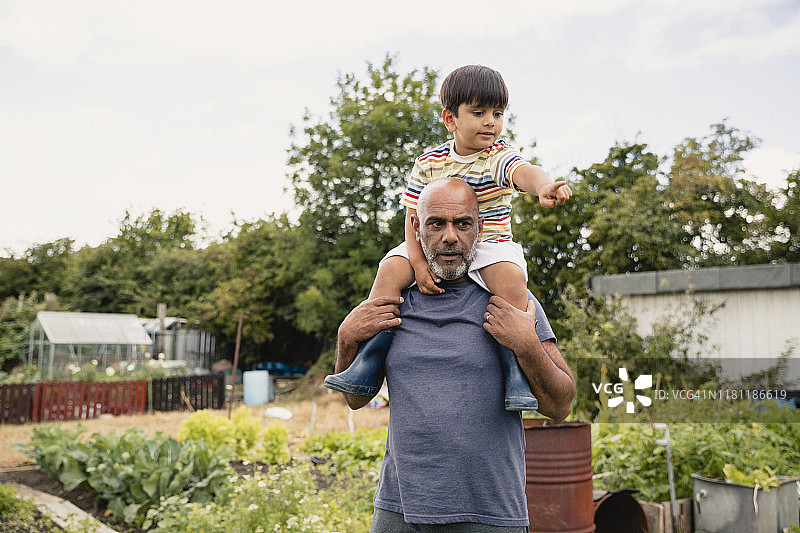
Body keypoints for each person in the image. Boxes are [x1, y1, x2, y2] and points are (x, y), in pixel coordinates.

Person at [324, 65, 572, 411]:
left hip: (491, 245)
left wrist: (544, 186)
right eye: (479, 112)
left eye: (498, 114)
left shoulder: (496, 156)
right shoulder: (429, 162)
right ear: (450, 119)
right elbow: (412, 220)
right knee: (389, 271)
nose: (491, 122)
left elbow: (525, 172)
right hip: (423, 246)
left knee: (511, 278)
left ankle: (516, 368)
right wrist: (417, 262)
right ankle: (367, 358)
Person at [334, 178, 576, 532]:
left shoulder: (510, 302)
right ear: (416, 228)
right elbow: (356, 399)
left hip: (490, 515)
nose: (450, 236)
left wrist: (527, 344)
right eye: (436, 224)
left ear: (479, 228)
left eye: (462, 224)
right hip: (400, 512)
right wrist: (346, 340)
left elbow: (560, 406)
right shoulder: (393, 304)